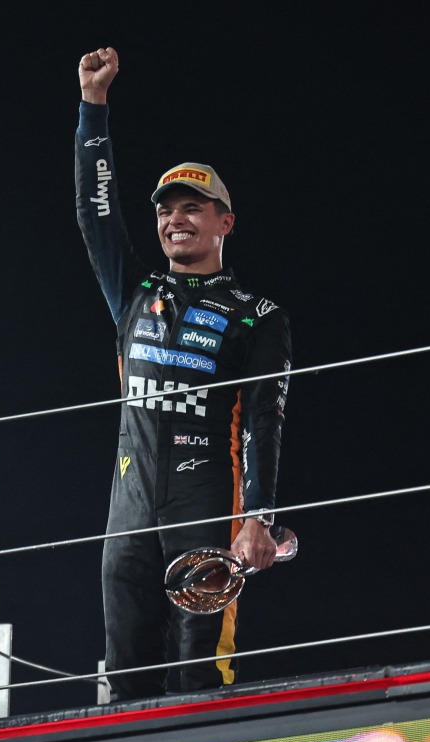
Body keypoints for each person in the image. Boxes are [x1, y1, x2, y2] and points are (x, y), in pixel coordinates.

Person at [75, 46, 293, 701]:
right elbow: (98, 213)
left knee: (203, 670)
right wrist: (93, 110)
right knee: (125, 666)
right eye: (167, 208)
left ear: (224, 221)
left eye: (193, 206)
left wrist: (259, 516)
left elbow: (265, 419)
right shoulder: (133, 293)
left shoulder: (258, 315)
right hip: (129, 505)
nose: (176, 218)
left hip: (207, 506)